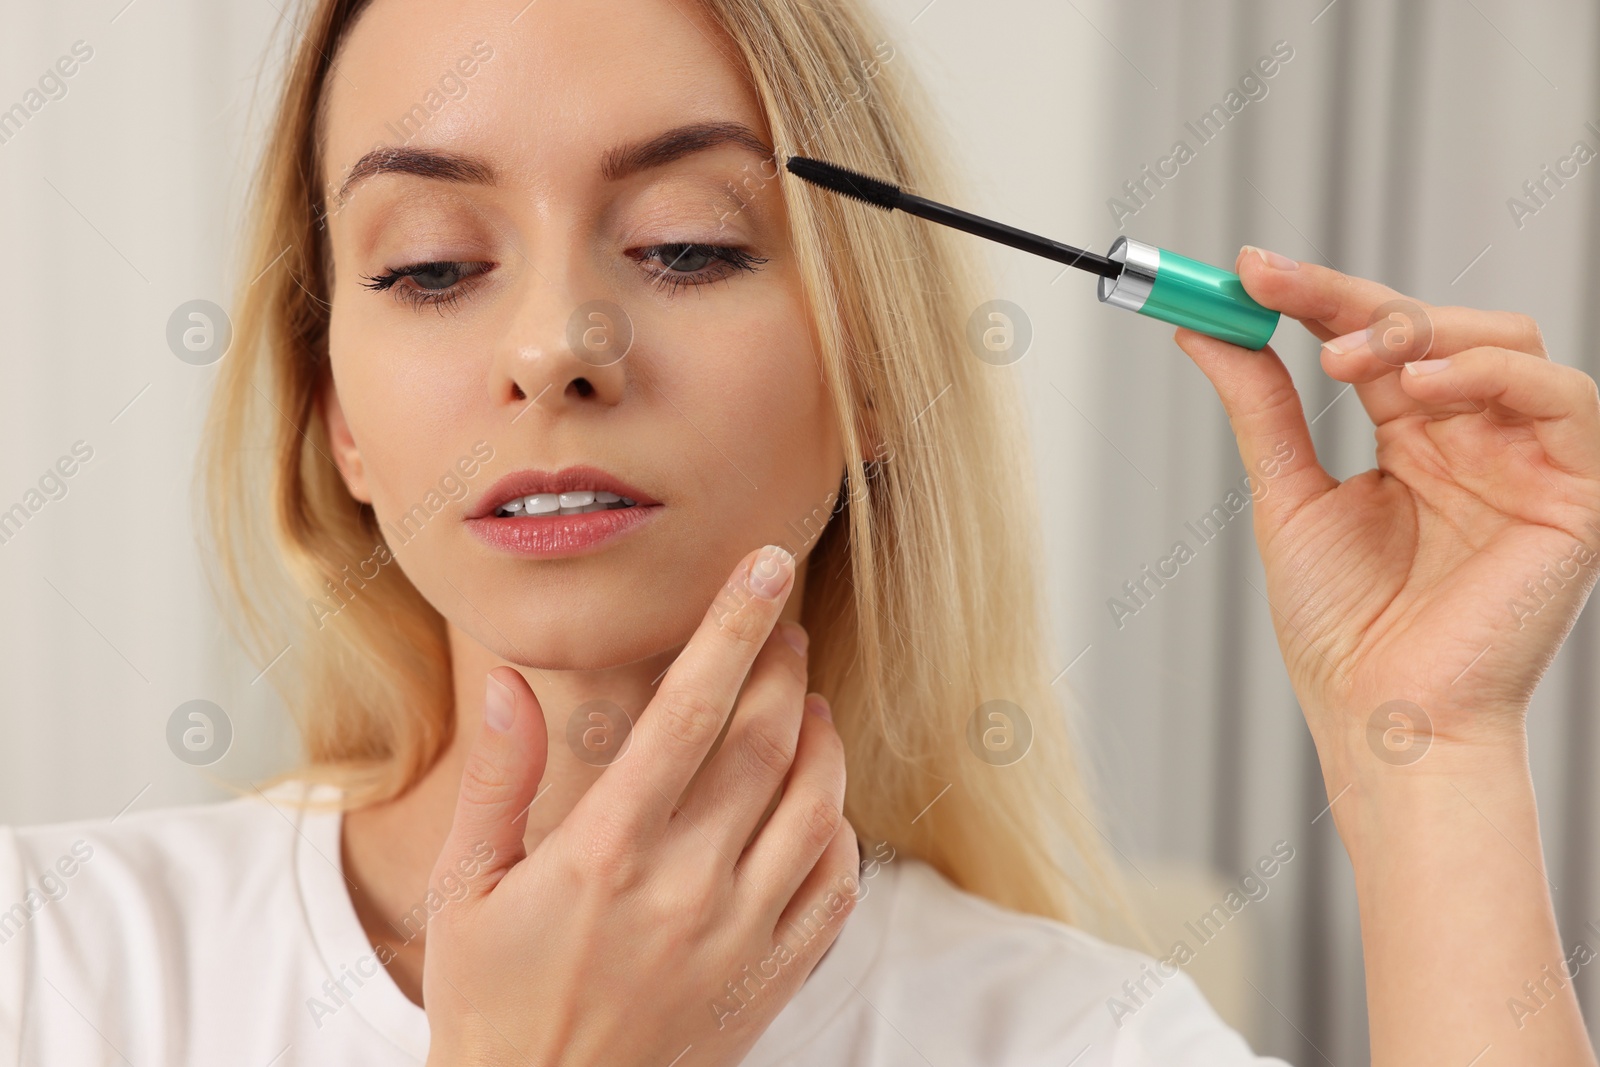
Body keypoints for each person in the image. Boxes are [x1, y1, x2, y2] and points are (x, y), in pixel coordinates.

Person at [2, 0, 1597, 1063]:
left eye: (691, 245)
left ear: (873, 375)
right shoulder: (50, 964)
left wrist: (1437, 749)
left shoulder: (1081, 1041)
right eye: (428, 266)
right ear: (332, 412)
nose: (559, 343)